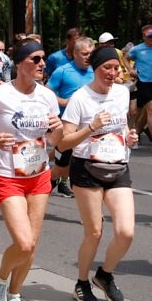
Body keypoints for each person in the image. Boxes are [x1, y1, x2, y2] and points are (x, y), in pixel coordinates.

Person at [0, 40, 60, 301]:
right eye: (36, 59)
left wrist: (58, 128)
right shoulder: (0, 95)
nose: (42, 64)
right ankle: (0, 278)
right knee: (23, 242)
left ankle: (14, 295)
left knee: (32, 244)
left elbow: (56, 140)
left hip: (39, 174)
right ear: (20, 63)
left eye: (43, 58)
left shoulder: (47, 96)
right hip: (8, 175)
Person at [59, 44, 137, 301]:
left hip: (117, 165)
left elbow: (122, 125)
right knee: (94, 232)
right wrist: (91, 127)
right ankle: (82, 282)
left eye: (115, 68)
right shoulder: (80, 98)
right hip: (87, 168)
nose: (112, 73)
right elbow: (64, 143)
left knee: (126, 231)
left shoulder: (122, 93)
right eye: (106, 68)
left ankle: (104, 274)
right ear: (95, 69)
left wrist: (129, 137)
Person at [45, 35, 95, 195]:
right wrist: (63, 102)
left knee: (80, 163)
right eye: (84, 54)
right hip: (67, 125)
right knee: (62, 164)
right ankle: (46, 185)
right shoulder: (63, 71)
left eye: (91, 53)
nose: (88, 57)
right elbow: (46, 92)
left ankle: (61, 181)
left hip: (89, 125)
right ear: (75, 53)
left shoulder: (96, 71)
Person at [126, 24, 152, 149]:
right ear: (144, 37)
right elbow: (125, 58)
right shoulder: (137, 49)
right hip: (143, 83)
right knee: (151, 110)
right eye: (149, 36)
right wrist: (130, 70)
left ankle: (135, 135)